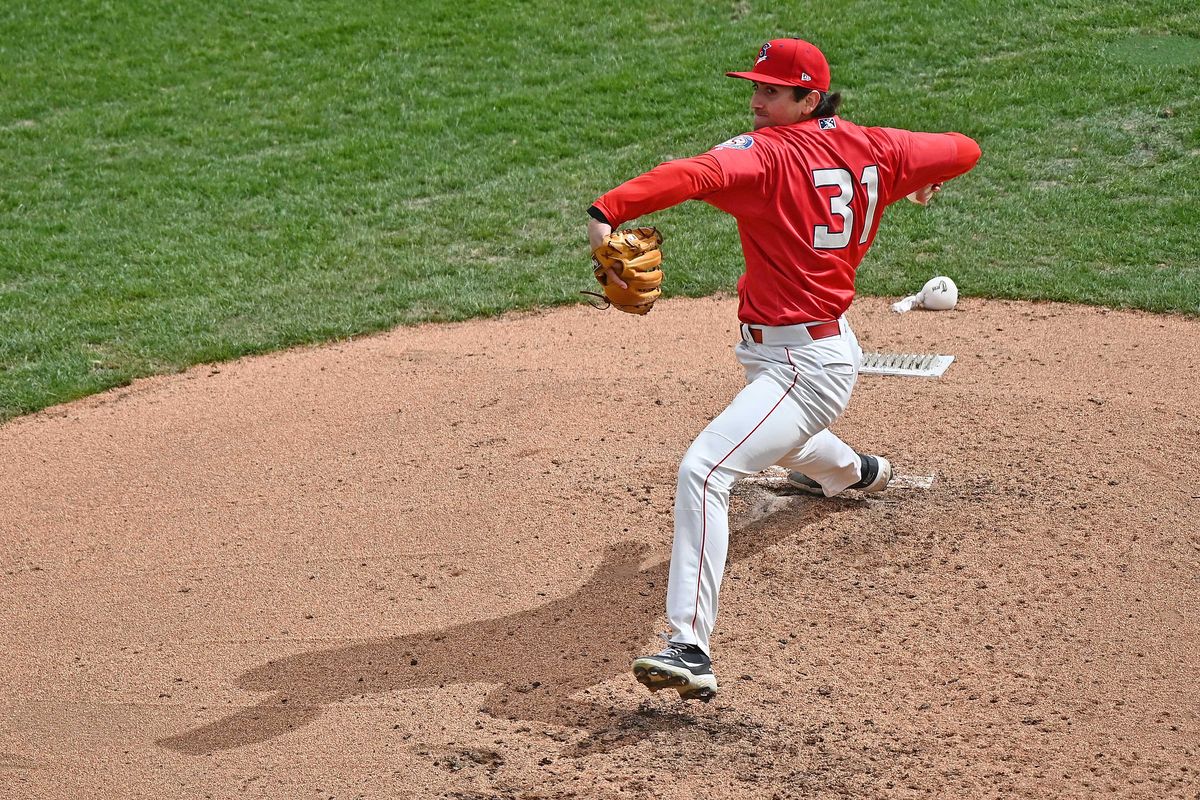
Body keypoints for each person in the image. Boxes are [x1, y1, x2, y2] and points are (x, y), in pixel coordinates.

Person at [587, 37, 981, 701]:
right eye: (756, 88)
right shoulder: (877, 146)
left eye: (772, 91)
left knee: (705, 470)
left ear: (807, 98)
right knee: (781, 430)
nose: (757, 100)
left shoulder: (767, 153)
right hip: (803, 355)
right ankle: (856, 473)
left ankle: (690, 646)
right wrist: (916, 180)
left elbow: (692, 176)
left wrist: (608, 211)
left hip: (806, 366)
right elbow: (964, 147)